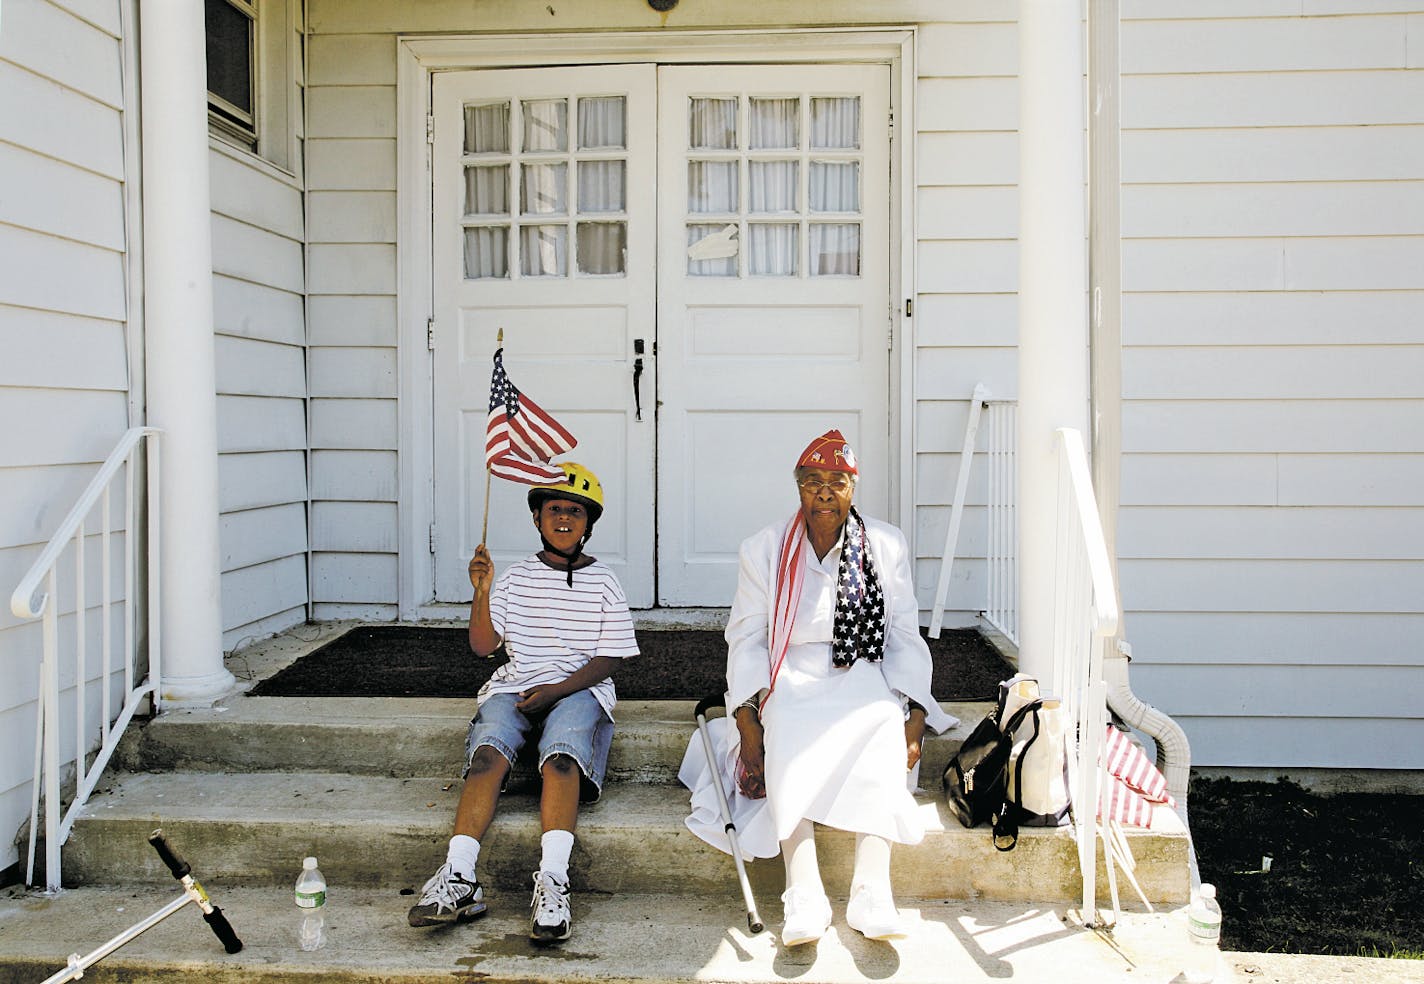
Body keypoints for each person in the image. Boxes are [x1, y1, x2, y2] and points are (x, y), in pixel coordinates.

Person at [680, 429, 957, 946]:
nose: (824, 493)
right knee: (786, 721)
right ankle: (803, 887)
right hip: (790, 669)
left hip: (861, 667)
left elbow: (902, 635)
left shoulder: (885, 544)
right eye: (812, 482)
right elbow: (746, 638)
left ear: (854, 487)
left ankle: (872, 885)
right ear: (799, 488)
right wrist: (746, 718)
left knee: (879, 720)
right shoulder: (763, 549)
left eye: (836, 482)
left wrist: (915, 714)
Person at [407, 462, 638, 943]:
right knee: (488, 754)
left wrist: (556, 691)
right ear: (537, 518)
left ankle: (554, 879)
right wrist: (483, 592)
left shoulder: (604, 583)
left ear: (588, 523)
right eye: (554, 509)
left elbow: (610, 656)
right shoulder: (515, 578)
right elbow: (482, 646)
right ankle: (459, 874)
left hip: (577, 686)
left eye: (575, 512)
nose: (563, 519)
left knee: (560, 758)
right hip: (516, 683)